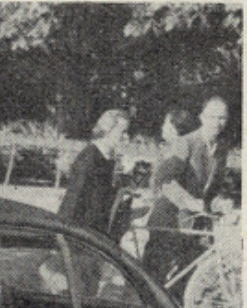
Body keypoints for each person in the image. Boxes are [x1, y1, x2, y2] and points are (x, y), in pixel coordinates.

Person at [143, 97, 231, 288]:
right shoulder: (186, 143)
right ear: (202, 117)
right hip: (170, 219)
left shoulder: (221, 148)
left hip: (196, 222)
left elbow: (213, 187)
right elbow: (165, 180)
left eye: (222, 118)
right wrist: (190, 201)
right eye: (212, 117)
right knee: (153, 278)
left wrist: (219, 202)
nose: (217, 123)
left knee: (187, 277)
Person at [58, 109, 130, 237]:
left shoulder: (108, 159)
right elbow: (72, 204)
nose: (126, 137)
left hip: (97, 235)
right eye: (123, 131)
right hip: (81, 237)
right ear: (107, 130)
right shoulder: (89, 159)